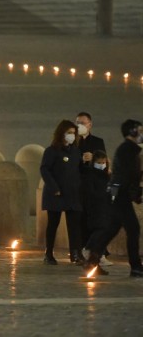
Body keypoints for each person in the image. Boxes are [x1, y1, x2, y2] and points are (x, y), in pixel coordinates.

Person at [85, 119, 143, 278]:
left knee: (112, 229)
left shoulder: (130, 149)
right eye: (140, 130)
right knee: (133, 229)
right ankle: (136, 267)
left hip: (118, 194)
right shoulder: (128, 149)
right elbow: (127, 174)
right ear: (132, 132)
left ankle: (92, 259)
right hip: (121, 195)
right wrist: (136, 192)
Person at [40, 120, 83, 265]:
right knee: (53, 223)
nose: (71, 136)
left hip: (72, 193)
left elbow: (78, 170)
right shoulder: (51, 150)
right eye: (69, 133)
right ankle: (49, 253)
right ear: (61, 133)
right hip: (56, 193)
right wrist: (54, 188)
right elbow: (44, 169)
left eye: (73, 133)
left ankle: (76, 254)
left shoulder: (76, 151)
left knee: (75, 225)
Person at [79, 150, 111, 272]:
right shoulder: (89, 175)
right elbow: (90, 193)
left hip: (105, 209)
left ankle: (94, 264)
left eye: (104, 162)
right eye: (99, 162)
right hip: (94, 209)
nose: (102, 164)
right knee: (99, 233)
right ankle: (88, 250)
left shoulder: (106, 175)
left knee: (102, 235)